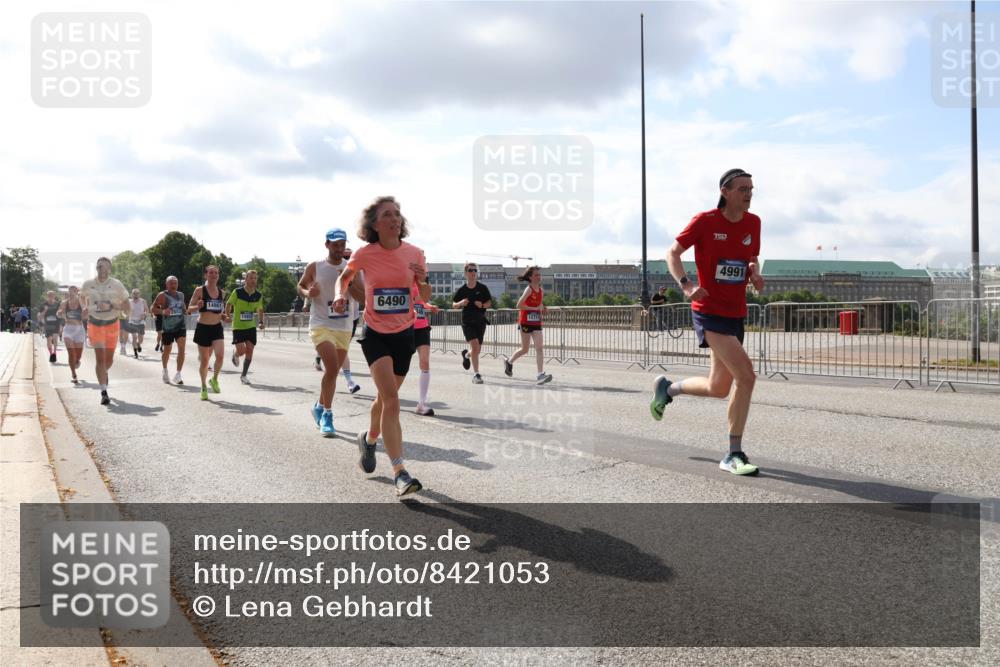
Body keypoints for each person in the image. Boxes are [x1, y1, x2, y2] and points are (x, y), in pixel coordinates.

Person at [649, 168, 765, 476]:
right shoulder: (705, 221)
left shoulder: (754, 223)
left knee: (718, 387)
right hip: (708, 310)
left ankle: (668, 389)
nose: (749, 194)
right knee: (747, 376)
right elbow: (672, 253)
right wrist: (687, 284)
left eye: (751, 188)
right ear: (725, 192)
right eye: (743, 189)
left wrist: (754, 272)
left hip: (735, 310)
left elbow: (750, 256)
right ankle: (733, 453)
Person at [333, 195, 430, 497]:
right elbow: (344, 277)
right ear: (375, 224)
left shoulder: (414, 253)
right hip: (375, 333)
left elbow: (422, 293)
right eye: (387, 214)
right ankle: (400, 471)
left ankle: (370, 437)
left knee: (387, 398)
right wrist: (339, 295)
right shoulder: (365, 253)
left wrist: (423, 279)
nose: (395, 219)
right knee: (391, 399)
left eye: (398, 214)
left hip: (405, 334)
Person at [299, 229, 364, 436]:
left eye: (342, 244)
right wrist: (308, 293)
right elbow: (300, 286)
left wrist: (349, 283)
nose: (339, 248)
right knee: (332, 367)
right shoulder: (316, 266)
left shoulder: (351, 269)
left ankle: (318, 405)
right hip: (320, 324)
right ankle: (327, 414)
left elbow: (362, 297)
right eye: (335, 244)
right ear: (327, 244)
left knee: (333, 372)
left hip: (343, 326)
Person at [80, 257, 129, 405]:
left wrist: (113, 306)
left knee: (108, 360)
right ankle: (103, 391)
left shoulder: (117, 284)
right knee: (100, 359)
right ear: (96, 268)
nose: (102, 269)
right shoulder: (88, 284)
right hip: (95, 324)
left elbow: (126, 305)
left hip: (112, 324)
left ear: (110, 269)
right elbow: (82, 297)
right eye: (99, 266)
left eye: (105, 266)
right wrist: (84, 307)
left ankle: (104, 373)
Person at [503, 266, 552, 385]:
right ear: (530, 277)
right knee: (525, 349)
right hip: (525, 321)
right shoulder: (528, 289)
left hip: (536, 322)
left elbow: (539, 304)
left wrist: (543, 308)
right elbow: (518, 305)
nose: (539, 277)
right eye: (536, 275)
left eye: (539, 275)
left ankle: (540, 374)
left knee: (539, 347)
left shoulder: (541, 290)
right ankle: (509, 362)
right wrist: (534, 308)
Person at [188, 265, 230, 400]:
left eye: (216, 273)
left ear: (218, 276)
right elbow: (188, 309)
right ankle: (203, 386)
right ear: (206, 275)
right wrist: (197, 306)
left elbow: (221, 310)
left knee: (220, 356)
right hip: (203, 328)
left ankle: (215, 379)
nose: (213, 275)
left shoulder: (222, 292)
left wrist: (224, 316)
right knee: (205, 361)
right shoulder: (199, 290)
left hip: (217, 327)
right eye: (211, 273)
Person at [452, 262, 492, 384]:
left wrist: (483, 305)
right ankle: (476, 374)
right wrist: (461, 303)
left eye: (475, 270)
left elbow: (489, 302)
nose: (473, 272)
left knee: (477, 350)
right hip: (467, 322)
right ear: (465, 273)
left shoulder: (482, 288)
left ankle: (466, 356)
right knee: (475, 346)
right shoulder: (462, 290)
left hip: (480, 321)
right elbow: (453, 305)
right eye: (470, 270)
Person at [226, 270, 265, 385]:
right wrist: (228, 316)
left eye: (255, 278)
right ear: (246, 279)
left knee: (250, 349)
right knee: (242, 351)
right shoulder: (237, 292)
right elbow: (228, 304)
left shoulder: (258, 295)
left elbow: (260, 309)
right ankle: (236, 354)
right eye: (251, 278)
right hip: (238, 326)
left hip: (250, 326)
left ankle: (243, 375)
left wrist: (261, 322)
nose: (254, 280)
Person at [151, 276, 187, 384]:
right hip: (168, 327)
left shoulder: (181, 295)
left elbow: (183, 307)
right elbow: (152, 308)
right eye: (171, 283)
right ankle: (165, 370)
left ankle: (178, 374)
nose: (173, 285)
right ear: (166, 285)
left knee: (182, 350)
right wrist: (163, 312)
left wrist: (186, 310)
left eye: (175, 283)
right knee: (167, 350)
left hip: (180, 326)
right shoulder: (162, 295)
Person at [412, 281, 440, 415]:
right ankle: (385, 398)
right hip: (404, 327)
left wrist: (430, 306)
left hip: (422, 327)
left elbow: (421, 303)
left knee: (425, 363)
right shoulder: (401, 279)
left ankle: (421, 404)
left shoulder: (420, 284)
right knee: (397, 367)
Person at [57, 287, 86, 383]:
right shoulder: (64, 302)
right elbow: (59, 312)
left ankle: (77, 360)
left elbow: (85, 309)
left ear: (77, 292)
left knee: (78, 355)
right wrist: (59, 313)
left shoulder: (81, 301)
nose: (71, 293)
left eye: (73, 291)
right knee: (71, 353)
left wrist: (86, 310)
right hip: (68, 329)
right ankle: (73, 374)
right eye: (70, 291)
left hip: (79, 330)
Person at [39, 291, 62, 363]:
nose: (51, 297)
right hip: (48, 324)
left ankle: (54, 353)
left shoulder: (58, 304)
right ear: (47, 296)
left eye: (52, 295)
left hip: (56, 323)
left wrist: (61, 324)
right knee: (49, 340)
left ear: (54, 296)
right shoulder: (43, 305)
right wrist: (45, 310)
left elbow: (60, 314)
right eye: (49, 295)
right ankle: (51, 353)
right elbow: (40, 316)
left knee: (55, 339)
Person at [126, 289, 149, 358]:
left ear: (139, 294)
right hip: (132, 321)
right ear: (132, 294)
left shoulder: (143, 301)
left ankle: (138, 344)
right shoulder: (129, 302)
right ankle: (135, 352)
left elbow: (147, 310)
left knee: (141, 338)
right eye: (134, 293)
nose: (135, 295)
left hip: (141, 322)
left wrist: (144, 314)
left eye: (137, 293)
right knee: (134, 337)